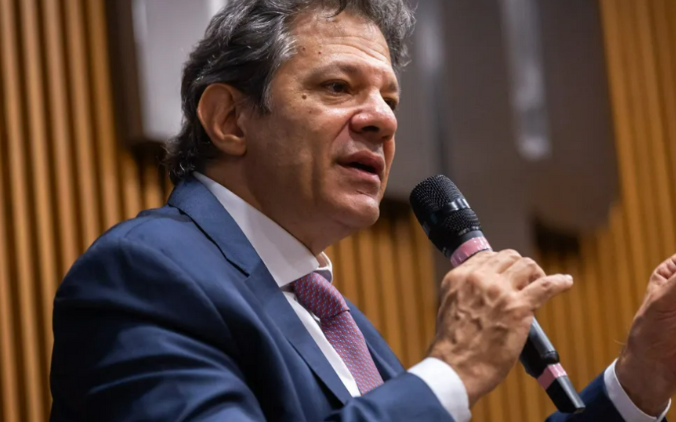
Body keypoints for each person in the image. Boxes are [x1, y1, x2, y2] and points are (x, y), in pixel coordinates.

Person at [49, 0, 676, 421]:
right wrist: (453, 371)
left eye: (390, 99)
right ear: (230, 119)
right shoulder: (145, 273)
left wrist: (639, 379)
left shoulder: (335, 318)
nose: (383, 120)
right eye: (338, 87)